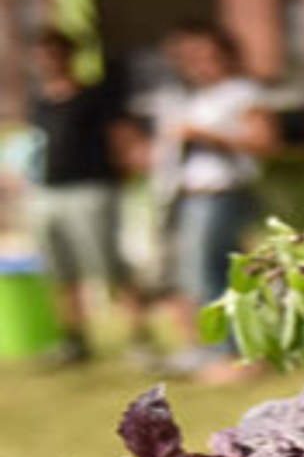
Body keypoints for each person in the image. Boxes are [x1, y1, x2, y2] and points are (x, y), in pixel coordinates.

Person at [163, 23, 279, 382]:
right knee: (196, 276)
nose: (199, 63)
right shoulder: (197, 96)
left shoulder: (242, 93)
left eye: (207, 55)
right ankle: (208, 350)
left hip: (223, 195)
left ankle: (233, 355)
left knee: (216, 275)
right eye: (191, 57)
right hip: (191, 197)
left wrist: (206, 136)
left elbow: (265, 142)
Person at [24, 28, 146, 364]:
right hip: (49, 193)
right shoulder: (40, 101)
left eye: (54, 53)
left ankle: (138, 339)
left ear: (69, 56)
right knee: (62, 271)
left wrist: (126, 172)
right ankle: (75, 339)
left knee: (108, 267)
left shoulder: (95, 97)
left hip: (91, 189)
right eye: (42, 55)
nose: (47, 61)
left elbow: (123, 137)